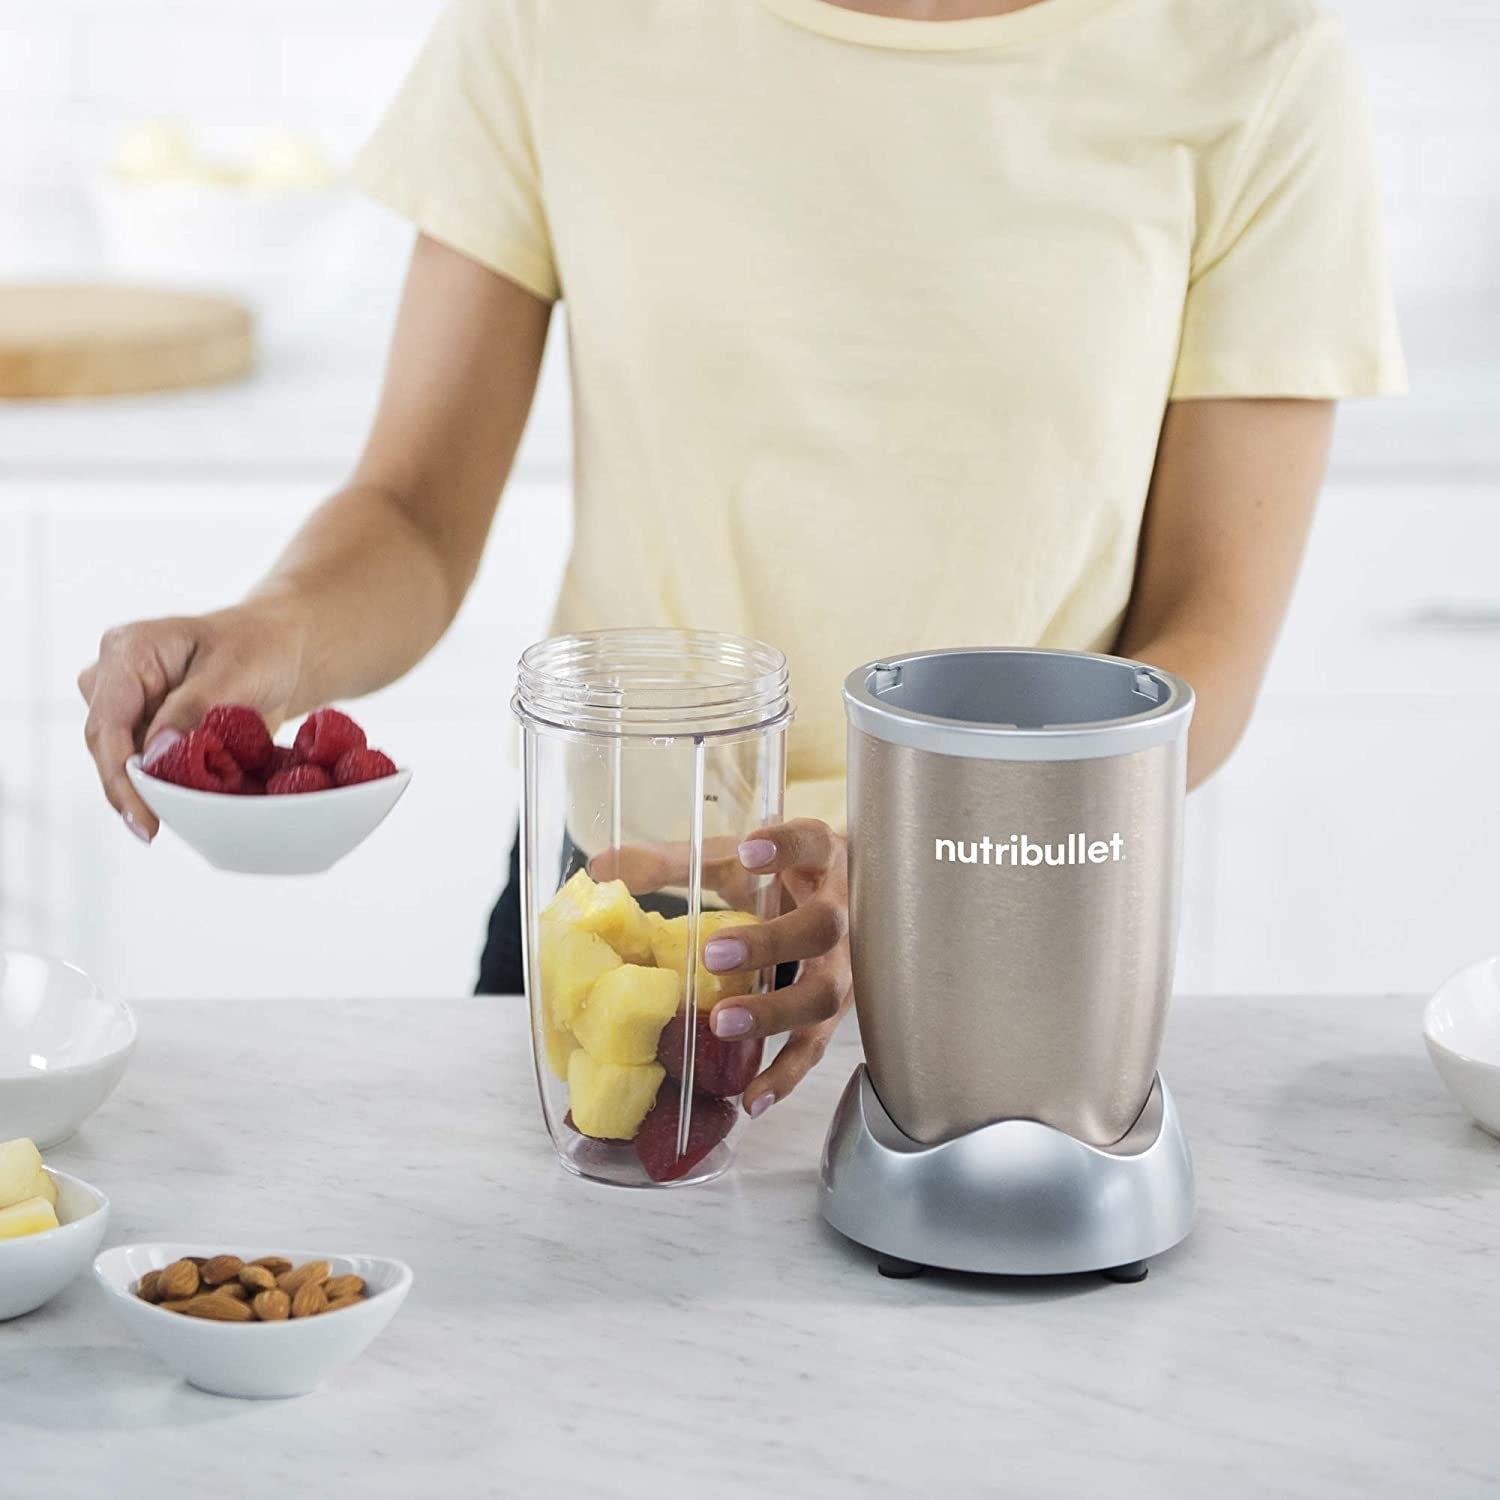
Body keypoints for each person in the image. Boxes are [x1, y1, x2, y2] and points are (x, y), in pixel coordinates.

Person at [78, 0, 1404, 1120]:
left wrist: (923, 867)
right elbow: (416, 510)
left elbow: (1200, 642)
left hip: (1013, 944)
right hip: (619, 926)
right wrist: (271, 636)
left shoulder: (1253, 58)